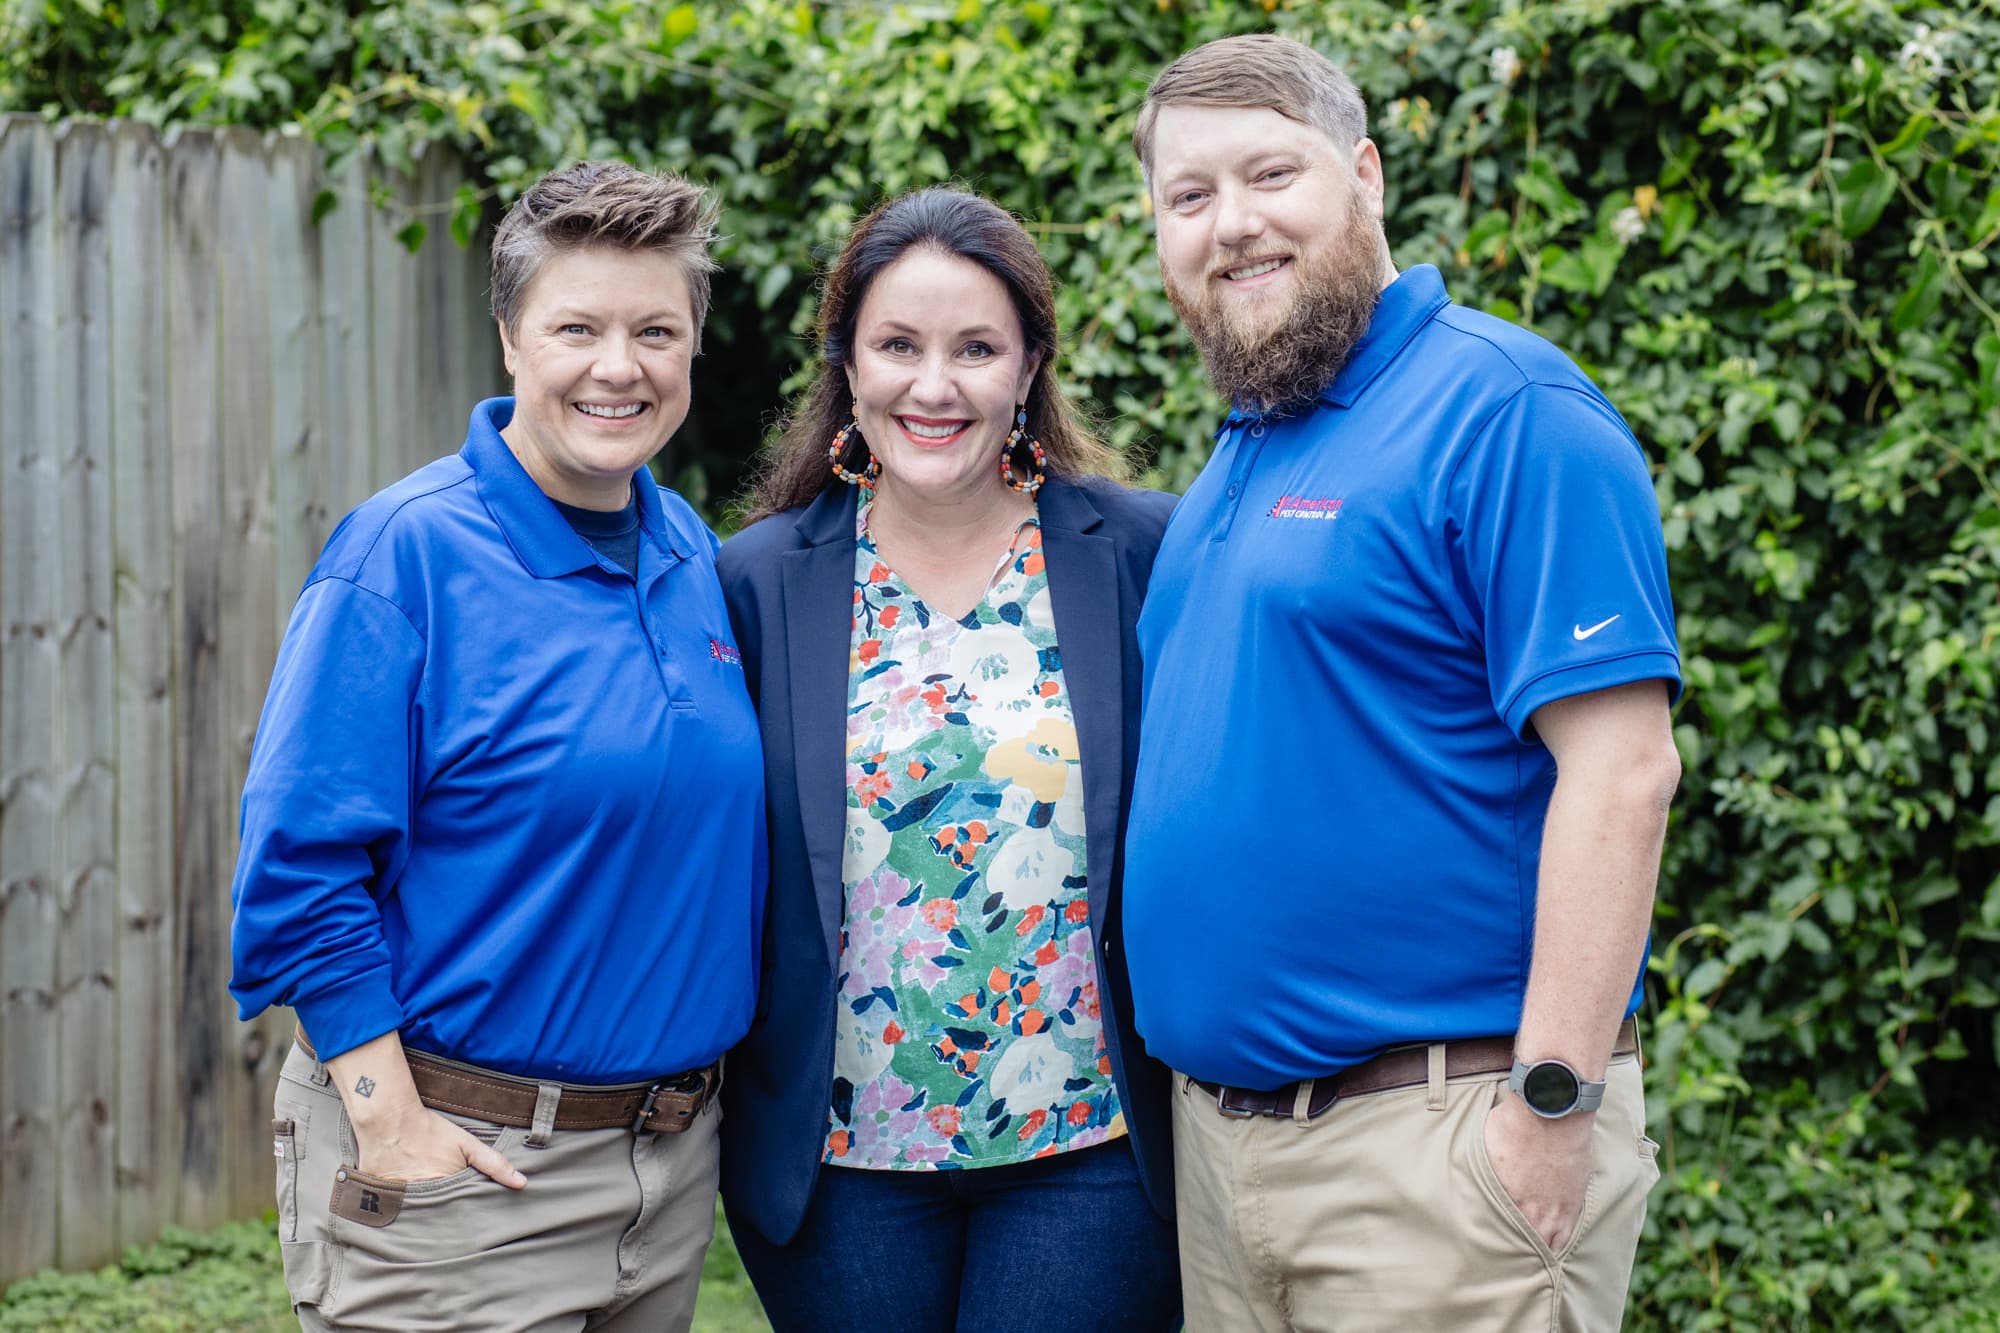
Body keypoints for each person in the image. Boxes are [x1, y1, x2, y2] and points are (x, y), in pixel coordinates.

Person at [1120, 34, 1683, 1333]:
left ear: (1363, 174)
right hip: (1229, 1158)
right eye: (1188, 198)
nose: (1233, 225)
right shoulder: (1242, 453)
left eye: (1271, 174)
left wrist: (1552, 1106)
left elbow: (1626, 767)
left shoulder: (1507, 408)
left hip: (1436, 1152)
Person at [228, 160, 766, 1332]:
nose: (617, 366)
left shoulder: (685, 551)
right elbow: (299, 866)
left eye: (654, 330)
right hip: (464, 1178)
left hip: (664, 1188)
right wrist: (387, 1120)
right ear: (512, 338)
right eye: (576, 326)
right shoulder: (405, 557)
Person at [714, 187, 1181, 1332]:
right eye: (897, 347)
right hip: (837, 1161)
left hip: (1086, 1144)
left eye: (975, 348)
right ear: (847, 365)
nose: (934, 386)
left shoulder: (1136, 551)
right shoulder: (756, 580)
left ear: (1027, 368)